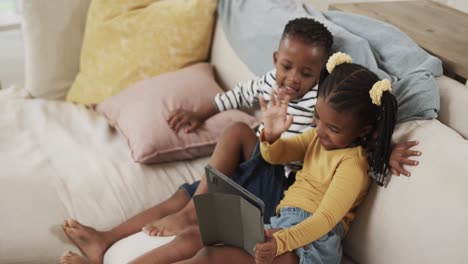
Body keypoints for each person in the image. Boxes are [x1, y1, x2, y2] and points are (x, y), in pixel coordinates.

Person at [60, 18, 419, 264]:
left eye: (332, 129)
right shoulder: (318, 136)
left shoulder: (351, 163)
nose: (321, 132)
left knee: (208, 254)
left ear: (364, 132)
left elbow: (325, 219)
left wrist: (383, 148)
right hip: (283, 225)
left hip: (308, 245)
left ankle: (192, 216)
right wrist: (272, 134)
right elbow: (277, 153)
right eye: (318, 122)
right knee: (193, 240)